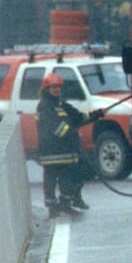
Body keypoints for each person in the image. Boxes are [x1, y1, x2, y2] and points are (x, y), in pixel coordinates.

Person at [38, 71, 103, 214]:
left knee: (68, 178)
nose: (56, 90)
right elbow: (58, 128)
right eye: (53, 87)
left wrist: (94, 115)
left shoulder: (62, 105)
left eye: (58, 87)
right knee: (51, 180)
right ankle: (52, 208)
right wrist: (73, 133)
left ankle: (65, 204)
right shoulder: (44, 107)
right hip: (51, 152)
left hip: (66, 151)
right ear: (46, 89)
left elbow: (79, 117)